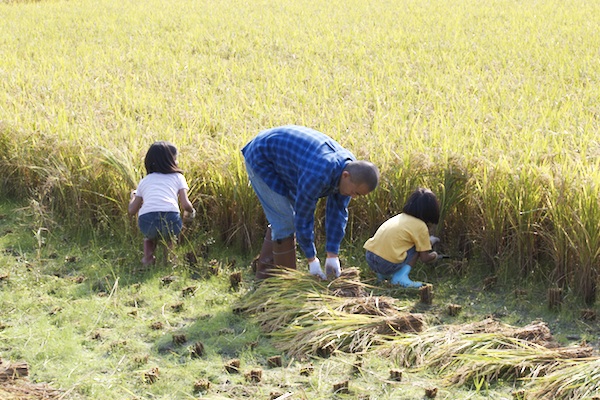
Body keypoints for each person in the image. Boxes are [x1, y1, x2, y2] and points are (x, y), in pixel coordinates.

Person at [242, 125, 380, 280]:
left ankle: (265, 276)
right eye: (355, 192)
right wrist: (312, 260)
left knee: (283, 220)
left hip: (290, 165)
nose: (354, 197)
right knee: (286, 221)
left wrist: (332, 255)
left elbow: (338, 213)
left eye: (358, 195)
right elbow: (304, 216)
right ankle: (284, 285)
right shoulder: (318, 175)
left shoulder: (351, 174)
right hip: (262, 157)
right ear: (346, 176)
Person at [128, 141, 196, 266]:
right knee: (170, 238)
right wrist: (191, 212)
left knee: (150, 237)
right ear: (170, 160)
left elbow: (132, 210)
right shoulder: (178, 177)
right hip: (171, 219)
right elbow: (186, 204)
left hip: (147, 221)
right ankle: (169, 260)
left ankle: (148, 259)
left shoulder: (144, 181)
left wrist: (133, 196)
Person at [363, 187, 441, 288]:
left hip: (370, 258)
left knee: (405, 245)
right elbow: (424, 258)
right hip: (385, 263)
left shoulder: (400, 217)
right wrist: (434, 255)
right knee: (417, 248)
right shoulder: (420, 226)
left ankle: (382, 276)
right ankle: (400, 277)